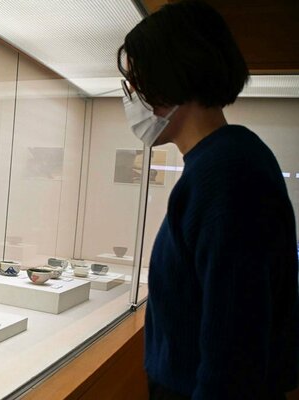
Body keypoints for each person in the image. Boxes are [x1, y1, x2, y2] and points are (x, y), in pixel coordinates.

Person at [117, 1, 298, 399]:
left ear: (168, 77)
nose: (131, 97)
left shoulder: (228, 174)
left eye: (134, 83)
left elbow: (234, 348)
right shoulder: (221, 162)